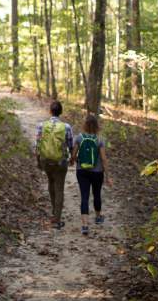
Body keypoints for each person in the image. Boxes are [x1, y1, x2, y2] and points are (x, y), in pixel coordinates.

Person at [71, 114, 112, 235]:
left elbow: (73, 155)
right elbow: (104, 159)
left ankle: (84, 225)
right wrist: (108, 176)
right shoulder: (100, 139)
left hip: (82, 171)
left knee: (84, 196)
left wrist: (73, 160)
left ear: (84, 125)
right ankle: (98, 217)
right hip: (97, 172)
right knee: (97, 194)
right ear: (97, 126)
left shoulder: (79, 137)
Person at [35, 100, 73, 229]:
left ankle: (54, 211)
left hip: (46, 160)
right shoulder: (66, 127)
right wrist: (72, 158)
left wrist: (38, 161)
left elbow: (38, 145)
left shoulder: (41, 125)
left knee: (51, 182)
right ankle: (57, 219)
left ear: (50, 111)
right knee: (59, 188)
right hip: (60, 162)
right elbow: (70, 145)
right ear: (61, 112)